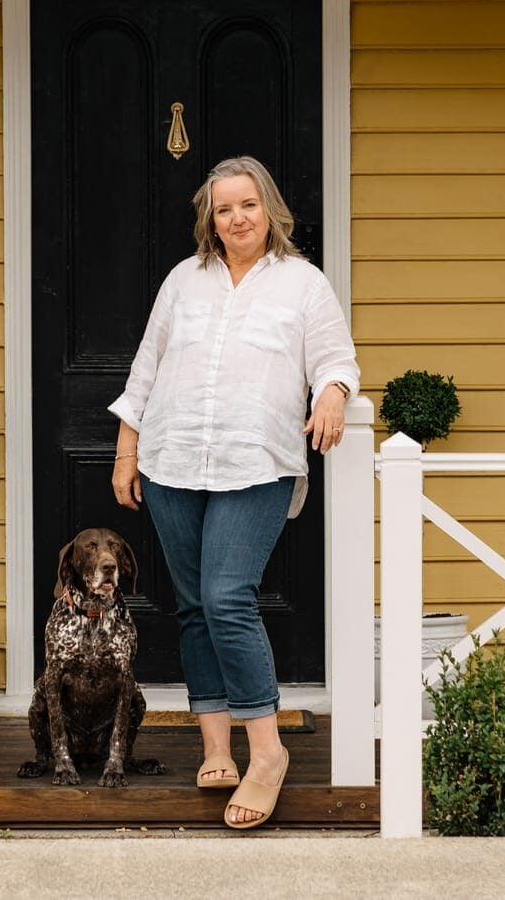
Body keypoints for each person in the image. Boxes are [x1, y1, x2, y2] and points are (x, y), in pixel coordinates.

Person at [109, 155, 360, 830]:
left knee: (226, 595)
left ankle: (268, 751)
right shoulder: (183, 281)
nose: (237, 217)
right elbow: (146, 367)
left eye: (247, 204)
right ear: (210, 219)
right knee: (192, 603)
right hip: (172, 457)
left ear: (270, 209)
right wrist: (127, 450)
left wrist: (332, 391)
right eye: (224, 208)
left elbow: (335, 357)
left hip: (259, 461)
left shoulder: (303, 283)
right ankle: (214, 742)